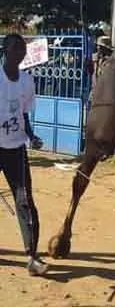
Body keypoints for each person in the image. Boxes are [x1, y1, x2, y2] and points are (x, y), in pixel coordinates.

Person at [0, 34, 48, 275]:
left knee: (25, 200)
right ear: (4, 51)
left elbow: (24, 114)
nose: (20, 53)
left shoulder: (27, 81)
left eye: (23, 49)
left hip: (16, 149)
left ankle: (32, 256)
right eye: (15, 48)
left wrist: (31, 135)